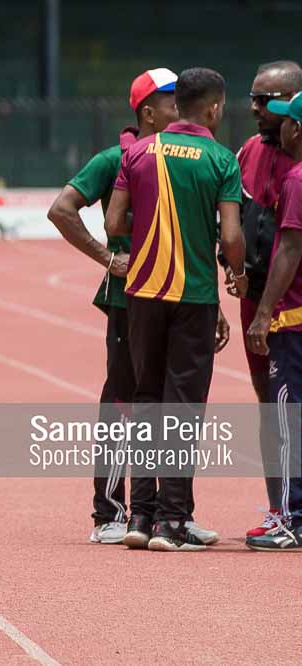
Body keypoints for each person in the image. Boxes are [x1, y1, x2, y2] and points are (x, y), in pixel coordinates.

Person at [48, 69, 228, 545]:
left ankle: (172, 513)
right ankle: (111, 510)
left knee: (171, 404)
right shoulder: (117, 158)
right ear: (149, 112)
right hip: (131, 299)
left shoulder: (183, 155)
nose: (180, 108)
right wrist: (108, 258)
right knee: (127, 402)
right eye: (171, 101)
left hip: (178, 293)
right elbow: (61, 209)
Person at [105, 67, 247, 552]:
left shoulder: (138, 152)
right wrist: (238, 273)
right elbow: (231, 235)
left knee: (146, 399)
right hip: (194, 296)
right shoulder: (221, 159)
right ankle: (172, 521)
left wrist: (151, 228)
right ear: (213, 108)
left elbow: (114, 221)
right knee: (183, 408)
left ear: (178, 105)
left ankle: (141, 516)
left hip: (142, 293)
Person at [231, 61, 302, 537]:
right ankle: (280, 507)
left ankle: (293, 513)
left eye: (265, 100)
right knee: (269, 403)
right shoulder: (249, 151)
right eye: (253, 98)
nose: (255, 107)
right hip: (255, 297)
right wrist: (232, 265)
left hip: (287, 303)